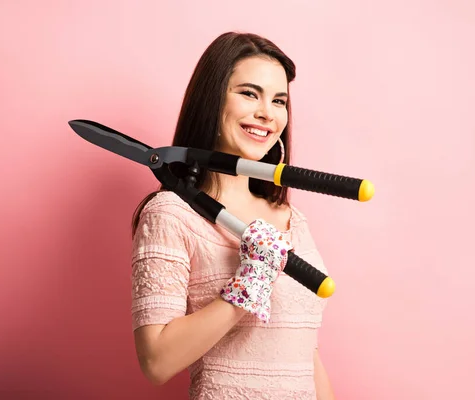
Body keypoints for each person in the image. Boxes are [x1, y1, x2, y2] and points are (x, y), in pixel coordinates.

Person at [129, 31, 336, 399]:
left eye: (278, 100)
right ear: (212, 100)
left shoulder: (292, 219)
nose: (267, 113)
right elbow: (156, 361)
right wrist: (250, 283)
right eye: (248, 93)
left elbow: (306, 353)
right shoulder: (172, 214)